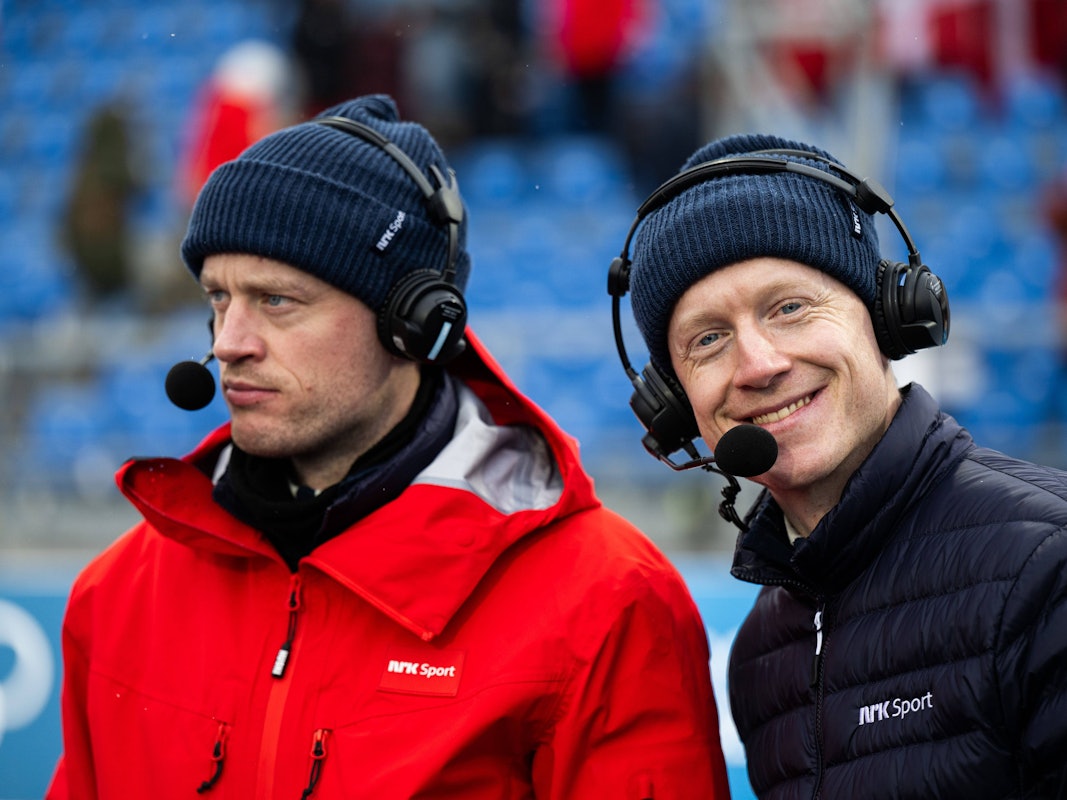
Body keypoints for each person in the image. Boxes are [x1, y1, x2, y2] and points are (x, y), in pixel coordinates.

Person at [47, 94, 731, 799]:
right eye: (219, 298)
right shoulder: (117, 594)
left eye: (277, 300)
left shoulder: (604, 600)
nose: (228, 344)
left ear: (413, 323)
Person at [614, 132, 1067, 798]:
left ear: (886, 317)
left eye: (789, 308)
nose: (759, 364)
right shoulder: (760, 653)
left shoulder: (1048, 565)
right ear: (677, 406)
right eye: (708, 339)